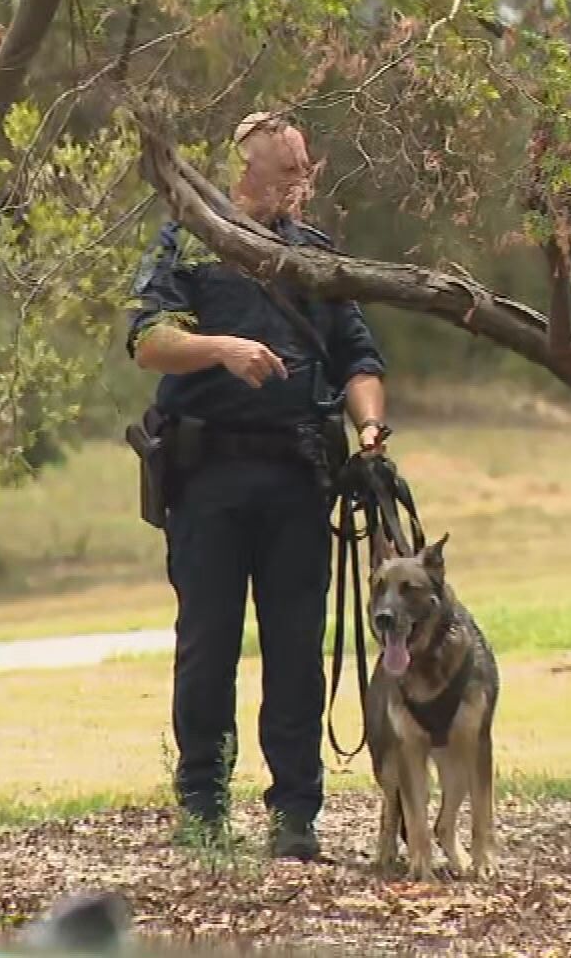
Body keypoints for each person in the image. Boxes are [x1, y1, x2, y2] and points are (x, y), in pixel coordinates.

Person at [126, 112, 388, 860]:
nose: (299, 189)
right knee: (206, 645)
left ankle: (295, 813)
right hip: (207, 478)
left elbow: (360, 360)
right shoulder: (190, 246)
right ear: (244, 172)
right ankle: (204, 803)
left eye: (304, 173)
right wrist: (222, 350)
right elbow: (148, 341)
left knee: (297, 649)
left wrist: (370, 433)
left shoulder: (318, 258)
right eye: (285, 175)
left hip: (298, 476)